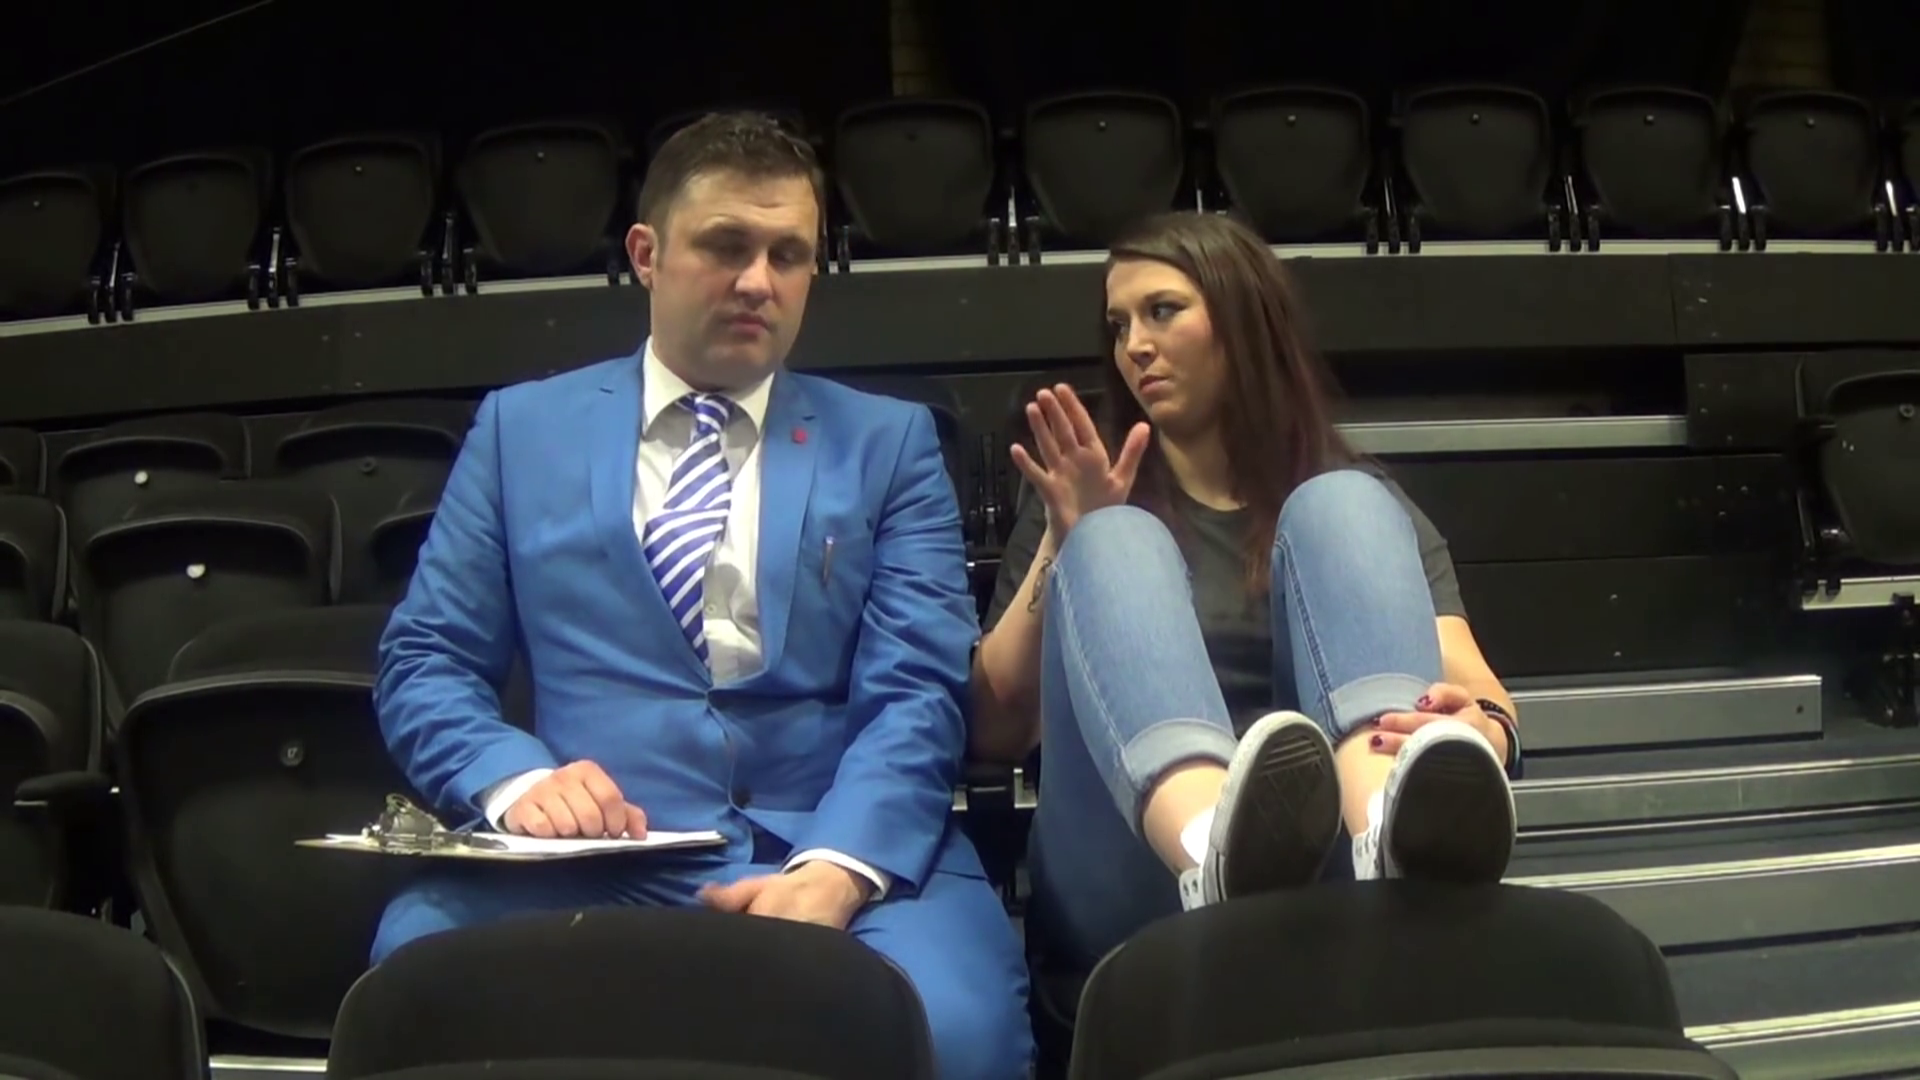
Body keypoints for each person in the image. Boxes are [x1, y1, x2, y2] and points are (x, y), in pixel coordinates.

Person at [372, 112, 1032, 1080]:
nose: (760, 280)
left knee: (960, 1036)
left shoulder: (888, 446)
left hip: (839, 845)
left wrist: (838, 871)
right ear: (647, 254)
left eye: (789, 255)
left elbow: (917, 695)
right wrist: (516, 783)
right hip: (595, 859)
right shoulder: (521, 431)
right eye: (727, 246)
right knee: (416, 974)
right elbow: (425, 661)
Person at [969, 211, 1525, 970]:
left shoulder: (1356, 502)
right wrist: (1065, 543)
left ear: (1241, 319)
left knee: (1344, 502)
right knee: (1115, 536)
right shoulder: (1083, 491)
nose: (1134, 346)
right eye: (1119, 325)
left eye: (1162, 311)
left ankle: (1386, 830)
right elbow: (994, 730)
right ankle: (1213, 847)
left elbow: (1476, 687)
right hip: (1136, 874)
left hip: (1327, 867)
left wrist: (1486, 729)